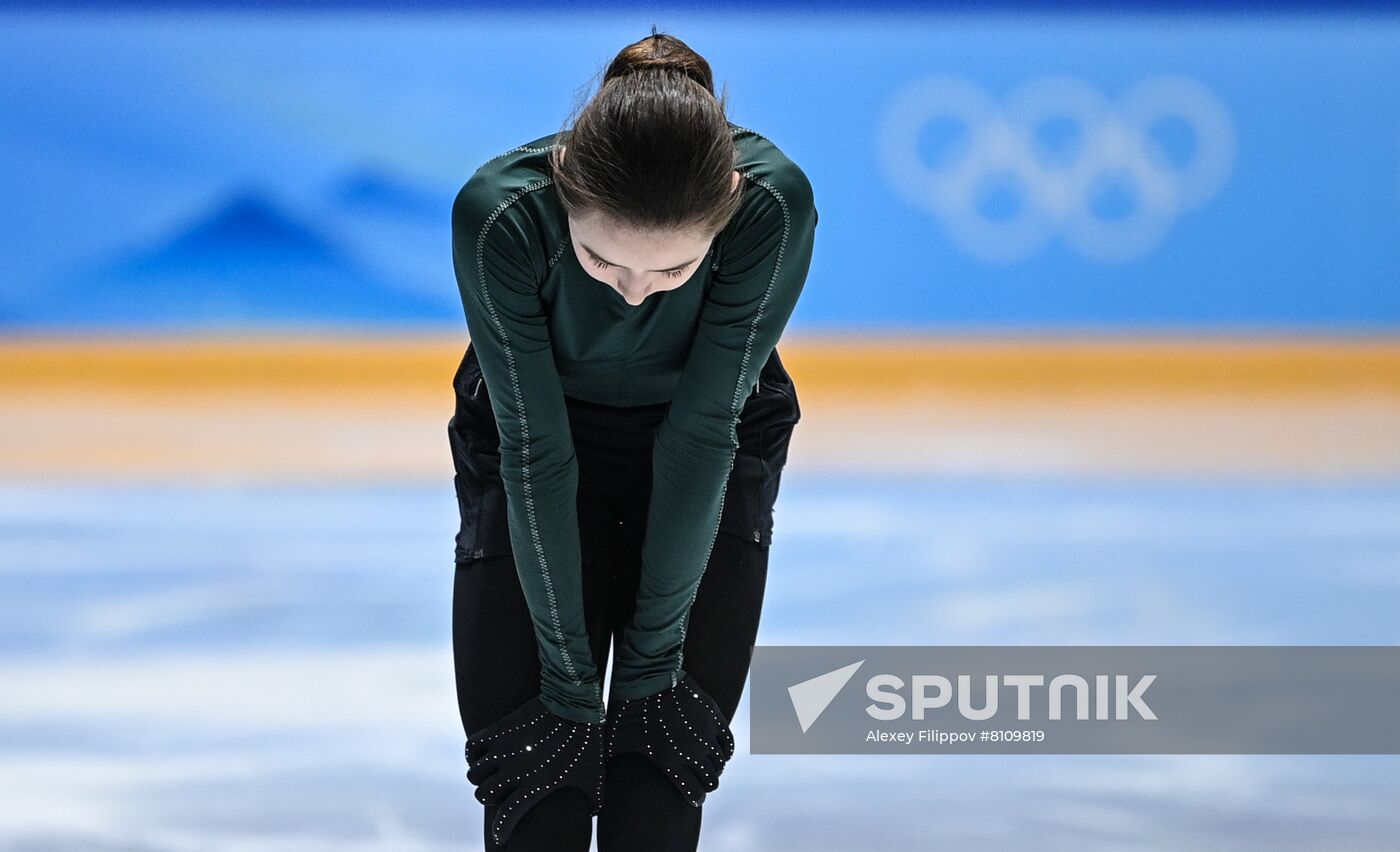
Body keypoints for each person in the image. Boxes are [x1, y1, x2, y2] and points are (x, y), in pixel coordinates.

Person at [449, 27, 818, 851]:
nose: (634, 295)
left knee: (658, 778)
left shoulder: (771, 204)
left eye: (674, 273)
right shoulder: (501, 212)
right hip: (537, 444)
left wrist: (650, 671)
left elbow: (703, 429)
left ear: (725, 199)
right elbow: (535, 449)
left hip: (708, 441)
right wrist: (572, 690)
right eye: (601, 261)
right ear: (562, 186)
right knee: (536, 783)